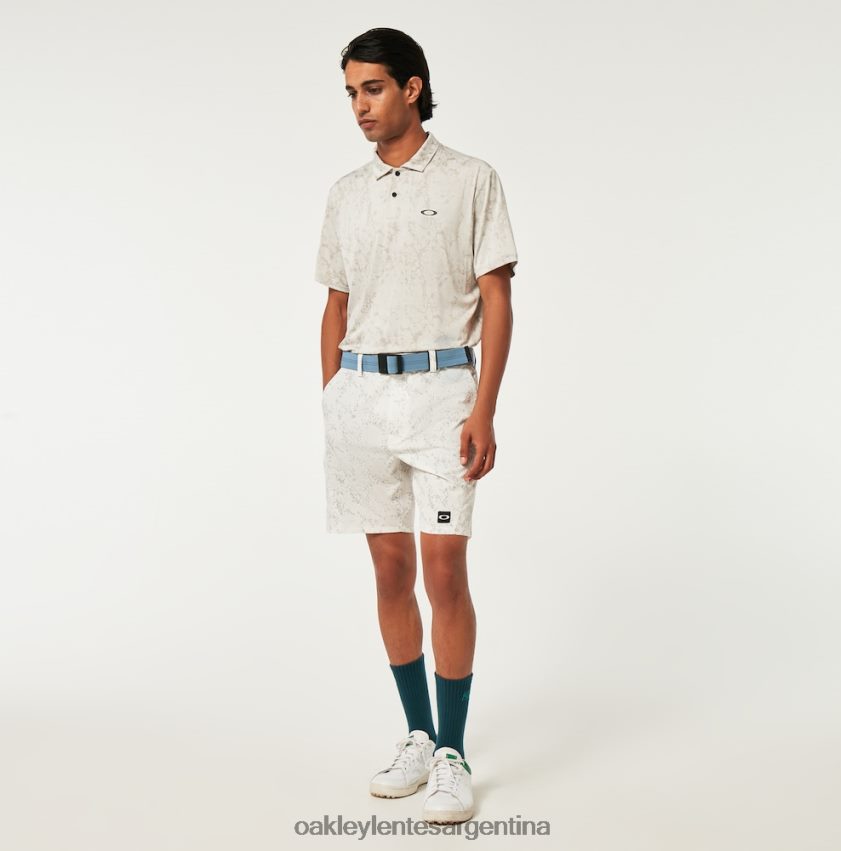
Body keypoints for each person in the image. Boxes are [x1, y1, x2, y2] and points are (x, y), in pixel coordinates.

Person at [313, 27, 518, 825]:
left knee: (443, 573)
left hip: (441, 397)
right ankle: (418, 734)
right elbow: (335, 303)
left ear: (411, 87)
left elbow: (496, 299)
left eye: (372, 88)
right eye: (350, 93)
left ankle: (453, 752)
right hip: (360, 399)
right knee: (390, 572)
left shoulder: (471, 179)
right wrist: (333, 398)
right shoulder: (346, 192)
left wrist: (483, 408)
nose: (360, 106)